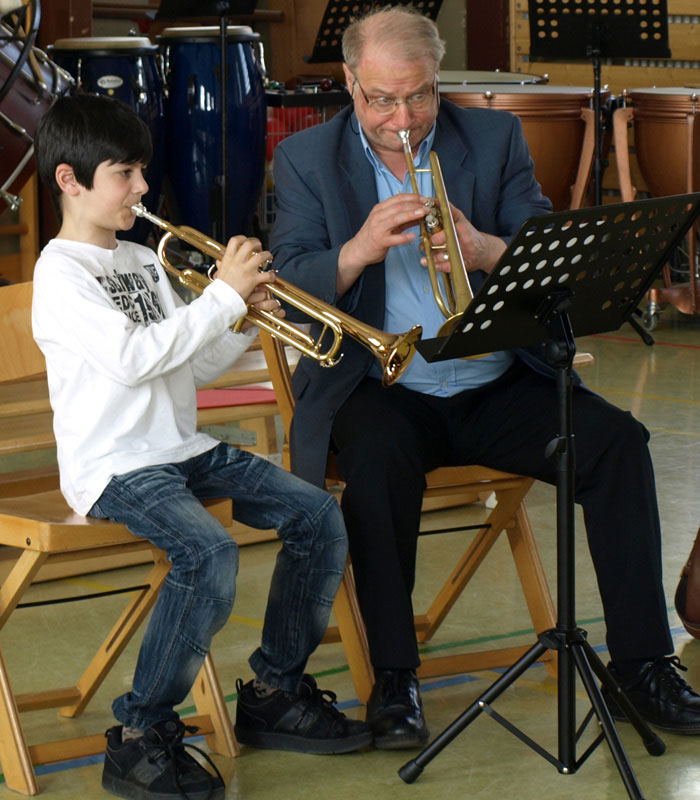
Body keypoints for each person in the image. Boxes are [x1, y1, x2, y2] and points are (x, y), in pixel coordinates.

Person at [269, 6, 700, 750]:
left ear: (439, 82)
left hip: (495, 377)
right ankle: (395, 682)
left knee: (617, 442)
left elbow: (544, 260)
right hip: (381, 388)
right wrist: (358, 250)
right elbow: (290, 285)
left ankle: (642, 665)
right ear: (348, 82)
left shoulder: (493, 137)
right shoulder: (306, 159)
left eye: (420, 95)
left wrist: (483, 248)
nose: (402, 117)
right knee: (374, 461)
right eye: (381, 98)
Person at [32, 93, 371, 800]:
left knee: (317, 515)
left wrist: (243, 320)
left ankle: (275, 691)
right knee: (208, 554)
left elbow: (185, 365)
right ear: (70, 180)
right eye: (124, 173)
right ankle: (139, 732)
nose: (143, 188)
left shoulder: (139, 259)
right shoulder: (60, 274)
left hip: (180, 448)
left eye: (142, 171)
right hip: (116, 466)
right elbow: (131, 360)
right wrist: (222, 295)